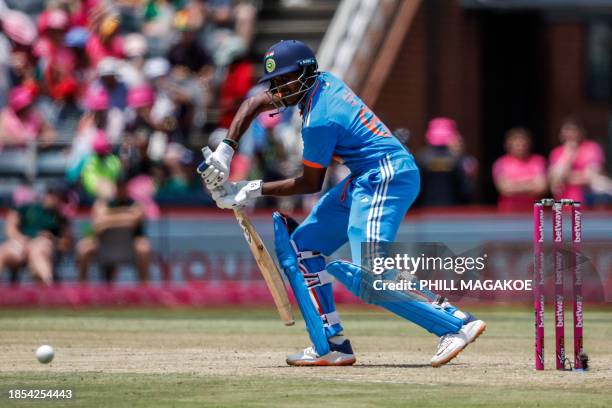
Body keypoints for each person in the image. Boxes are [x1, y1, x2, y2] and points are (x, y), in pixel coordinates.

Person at [198, 40, 486, 367]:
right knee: (303, 246)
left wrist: (247, 188)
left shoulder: (319, 120)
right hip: (365, 177)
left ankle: (455, 323)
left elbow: (308, 183)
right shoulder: (322, 81)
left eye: (284, 80)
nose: (278, 90)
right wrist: (226, 151)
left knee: (370, 270)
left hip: (387, 176)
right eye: (275, 82)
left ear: (304, 74)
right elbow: (253, 102)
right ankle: (332, 343)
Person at [77, 175, 150, 283]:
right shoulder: (103, 203)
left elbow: (133, 221)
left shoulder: (137, 204)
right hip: (103, 244)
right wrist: (126, 215)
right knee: (83, 248)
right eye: (118, 186)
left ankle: (145, 289)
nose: (121, 189)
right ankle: (81, 288)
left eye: (123, 186)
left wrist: (108, 217)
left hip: (130, 244)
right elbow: (98, 223)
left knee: (143, 248)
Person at [0, 183, 71, 285]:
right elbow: (10, 227)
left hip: (43, 245)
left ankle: (51, 287)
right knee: (2, 252)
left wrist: (53, 239)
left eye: (58, 196)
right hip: (21, 243)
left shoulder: (61, 218)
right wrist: (20, 239)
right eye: (52, 194)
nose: (53, 198)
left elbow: (66, 244)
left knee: (39, 252)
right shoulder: (28, 208)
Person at [549, 116, 606, 203]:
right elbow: (555, 180)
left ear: (581, 132)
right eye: (567, 131)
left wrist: (565, 178)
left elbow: (591, 176)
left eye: (573, 131)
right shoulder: (556, 152)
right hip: (564, 202)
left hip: (589, 202)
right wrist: (568, 155)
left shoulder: (592, 148)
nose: (570, 134)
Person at [492, 128, 547, 211]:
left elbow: (541, 187)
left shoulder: (538, 161)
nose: (521, 148)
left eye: (523, 144)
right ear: (508, 145)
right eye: (517, 145)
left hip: (534, 212)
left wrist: (514, 184)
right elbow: (505, 189)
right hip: (508, 212)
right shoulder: (501, 163)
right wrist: (531, 183)